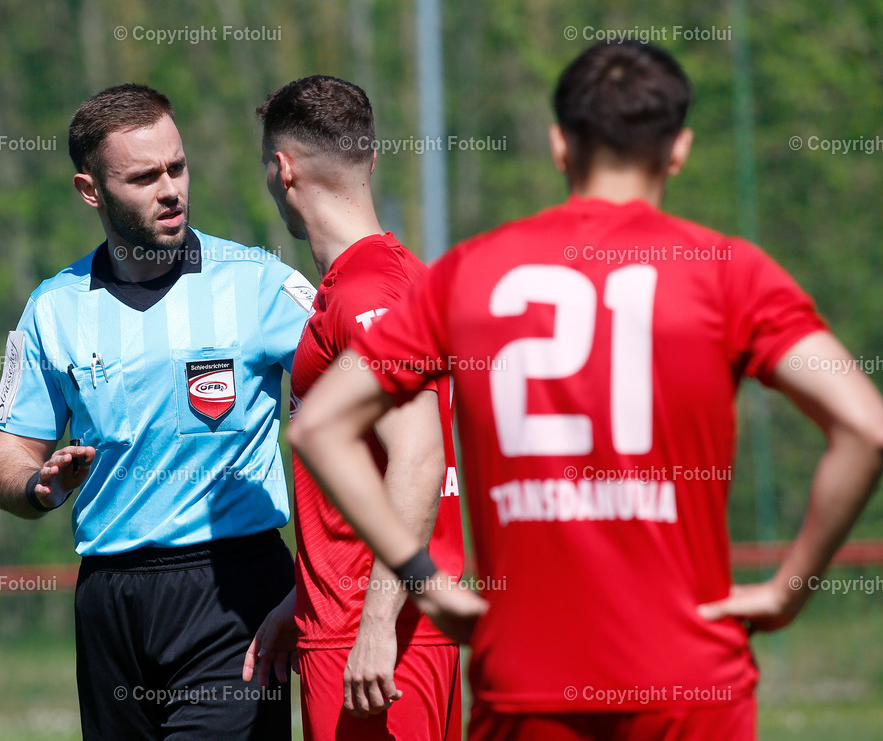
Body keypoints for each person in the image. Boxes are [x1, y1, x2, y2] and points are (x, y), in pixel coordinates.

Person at [287, 42, 883, 741]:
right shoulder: (727, 272)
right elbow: (866, 428)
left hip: (529, 675)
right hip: (690, 675)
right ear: (680, 149)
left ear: (559, 144)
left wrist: (422, 579)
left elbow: (317, 425)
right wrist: (789, 589)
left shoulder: (468, 276)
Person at [0, 83, 315, 741]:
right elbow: (6, 452)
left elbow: (370, 389)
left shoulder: (261, 286)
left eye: (177, 167)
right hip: (111, 598)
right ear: (90, 189)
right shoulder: (53, 308)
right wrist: (36, 483)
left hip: (234, 589)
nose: (171, 189)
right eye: (143, 176)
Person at [242, 75, 464, 741]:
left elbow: (419, 459)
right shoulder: (394, 277)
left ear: (283, 170)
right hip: (363, 622)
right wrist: (300, 599)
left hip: (377, 642)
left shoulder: (365, 294)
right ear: (371, 157)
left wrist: (370, 630)